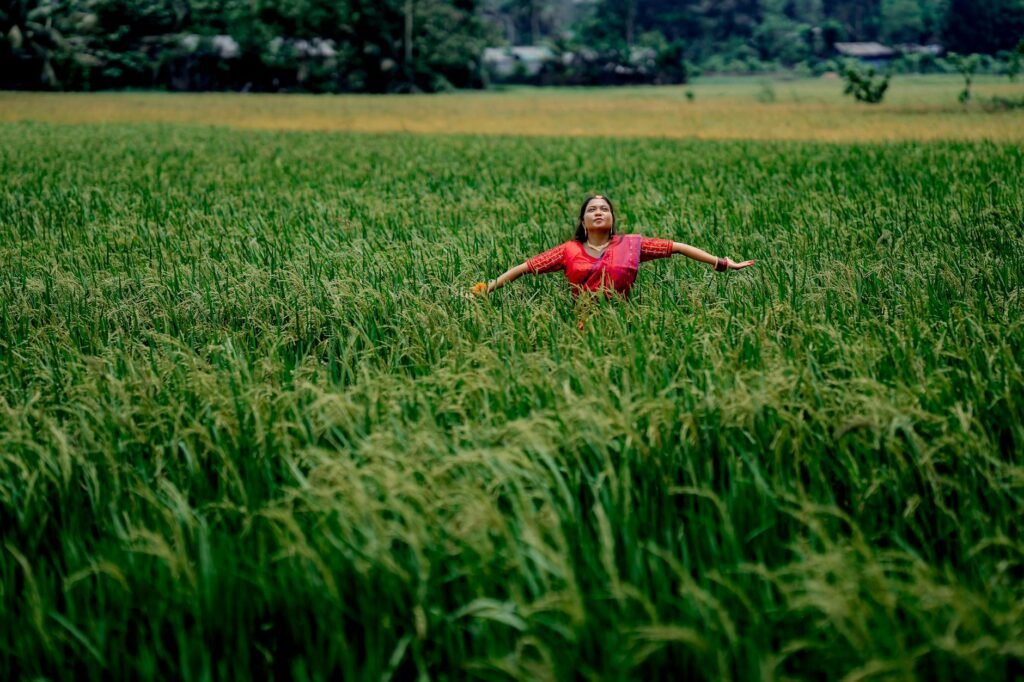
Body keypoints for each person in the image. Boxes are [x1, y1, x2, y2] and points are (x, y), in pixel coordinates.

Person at [472, 194, 755, 299]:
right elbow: (523, 268)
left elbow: (677, 247)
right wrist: (484, 290)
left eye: (604, 209)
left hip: (624, 318)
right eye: (592, 209)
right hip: (584, 324)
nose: (598, 212)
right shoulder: (568, 250)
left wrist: (721, 263)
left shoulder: (631, 245)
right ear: (583, 221)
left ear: (612, 219)